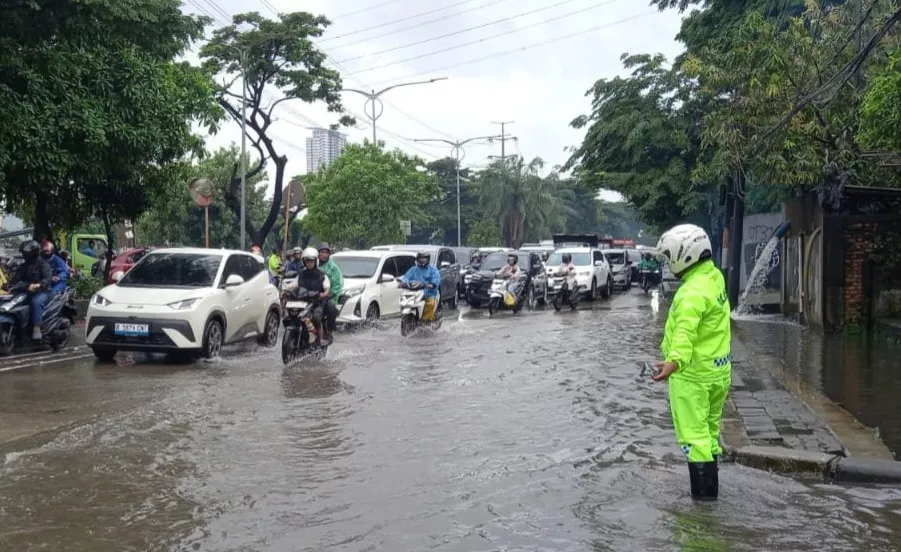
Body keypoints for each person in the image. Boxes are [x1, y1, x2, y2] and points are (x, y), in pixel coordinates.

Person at [652, 224, 731, 501]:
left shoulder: (690, 294)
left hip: (693, 378)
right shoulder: (714, 277)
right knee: (708, 435)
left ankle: (704, 509)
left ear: (683, 255)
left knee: (694, 441)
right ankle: (712, 496)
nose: (668, 262)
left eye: (669, 255)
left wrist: (672, 364)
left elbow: (685, 334)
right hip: (718, 373)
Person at [4, 240, 52, 341]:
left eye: (26, 253)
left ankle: (37, 327)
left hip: (42, 292)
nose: (25, 255)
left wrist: (38, 284)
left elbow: (47, 280)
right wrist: (8, 285)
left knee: (36, 302)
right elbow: (15, 280)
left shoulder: (43, 264)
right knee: (13, 301)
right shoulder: (23, 266)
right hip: (26, 291)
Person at [296, 247, 332, 345]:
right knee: (293, 315)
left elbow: (327, 288)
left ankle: (320, 339)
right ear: (304, 262)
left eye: (311, 261)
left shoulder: (322, 275)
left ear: (316, 261)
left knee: (316, 317)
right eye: (307, 261)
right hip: (303, 301)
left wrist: (323, 294)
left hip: (317, 302)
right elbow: (294, 286)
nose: (309, 263)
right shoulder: (301, 275)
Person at [400, 251, 442, 322]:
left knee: (430, 303)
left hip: (429, 293)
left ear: (428, 259)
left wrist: (431, 284)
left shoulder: (433, 269)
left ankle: (426, 321)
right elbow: (406, 277)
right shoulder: (413, 269)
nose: (422, 260)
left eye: (424, 258)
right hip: (415, 293)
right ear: (417, 259)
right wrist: (403, 283)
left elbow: (436, 280)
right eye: (420, 258)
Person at [316, 243, 343, 333]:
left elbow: (337, 284)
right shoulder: (313, 264)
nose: (324, 255)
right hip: (313, 293)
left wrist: (330, 294)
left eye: (326, 252)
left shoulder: (333, 267)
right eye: (322, 252)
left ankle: (330, 329)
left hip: (328, 294)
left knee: (331, 307)